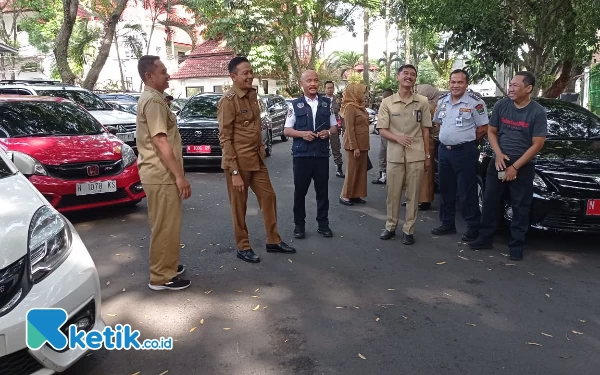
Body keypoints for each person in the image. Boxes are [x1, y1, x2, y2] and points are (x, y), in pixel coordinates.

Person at [218, 56, 295, 263]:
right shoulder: (228, 101)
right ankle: (243, 246)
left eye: (251, 72)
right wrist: (234, 172)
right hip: (238, 163)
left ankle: (273, 240)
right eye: (245, 73)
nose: (250, 76)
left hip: (256, 159)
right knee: (239, 207)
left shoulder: (252, 96)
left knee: (269, 197)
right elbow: (225, 137)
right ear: (233, 76)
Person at [469, 71, 547, 261]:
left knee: (520, 205)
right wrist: (498, 155)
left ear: (528, 88)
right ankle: (485, 238)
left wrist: (515, 167)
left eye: (515, 85)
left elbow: (538, 144)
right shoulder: (501, 106)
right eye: (510, 85)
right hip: (499, 162)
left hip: (523, 166)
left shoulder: (537, 112)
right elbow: (492, 132)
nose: (510, 88)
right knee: (490, 200)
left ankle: (517, 244)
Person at [136, 55, 191, 291]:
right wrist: (179, 176)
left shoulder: (155, 99)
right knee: (165, 225)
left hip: (157, 173)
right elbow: (160, 140)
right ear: (149, 76)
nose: (168, 75)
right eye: (163, 71)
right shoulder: (155, 102)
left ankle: (167, 264)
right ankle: (161, 276)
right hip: (161, 174)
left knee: (164, 223)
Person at [431, 70, 489, 241]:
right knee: (446, 189)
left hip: (465, 152)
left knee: (467, 190)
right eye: (453, 82)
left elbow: (483, 128)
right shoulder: (442, 102)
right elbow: (439, 124)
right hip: (444, 151)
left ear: (466, 84)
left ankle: (473, 227)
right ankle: (447, 223)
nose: (455, 85)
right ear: (449, 83)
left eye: (459, 82)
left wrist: (466, 141)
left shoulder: (475, 103)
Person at [377, 65, 432, 245]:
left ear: (415, 79)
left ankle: (409, 230)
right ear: (398, 77)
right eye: (405, 74)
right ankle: (391, 226)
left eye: (413, 74)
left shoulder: (422, 102)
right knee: (392, 194)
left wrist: (427, 156)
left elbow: (425, 131)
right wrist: (397, 138)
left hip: (416, 155)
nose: (409, 77)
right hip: (395, 155)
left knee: (413, 195)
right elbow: (382, 130)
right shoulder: (387, 102)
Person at [284, 70, 338, 239]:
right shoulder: (294, 105)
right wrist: (302, 134)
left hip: (321, 156)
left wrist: (327, 133)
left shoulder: (326, 103)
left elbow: (334, 127)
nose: (313, 84)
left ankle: (323, 224)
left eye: (315, 80)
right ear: (302, 84)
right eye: (309, 81)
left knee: (322, 192)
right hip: (302, 156)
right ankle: (299, 226)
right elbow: (287, 130)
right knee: (300, 193)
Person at [339, 83, 370, 206]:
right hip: (354, 145)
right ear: (355, 93)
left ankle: (356, 194)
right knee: (352, 171)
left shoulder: (360, 107)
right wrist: (354, 147)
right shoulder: (350, 107)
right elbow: (350, 129)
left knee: (361, 171)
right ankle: (345, 195)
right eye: (363, 93)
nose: (365, 95)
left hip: (363, 143)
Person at [415, 84, 441, 211]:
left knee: (425, 173)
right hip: (419, 140)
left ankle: (424, 200)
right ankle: (418, 199)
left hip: (425, 140)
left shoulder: (430, 106)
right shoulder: (428, 105)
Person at [372, 88, 394, 184]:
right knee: (385, 156)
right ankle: (385, 176)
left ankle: (384, 177)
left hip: (388, 134)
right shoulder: (391, 105)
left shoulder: (388, 106)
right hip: (389, 135)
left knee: (385, 156)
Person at [325, 80, 345, 178]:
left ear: (334, 88)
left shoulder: (338, 100)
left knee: (336, 148)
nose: (330, 90)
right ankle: (320, 170)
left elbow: (342, 115)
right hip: (323, 128)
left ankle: (339, 169)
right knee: (322, 148)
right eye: (328, 88)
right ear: (325, 89)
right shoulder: (320, 100)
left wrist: (344, 129)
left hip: (335, 128)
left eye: (331, 88)